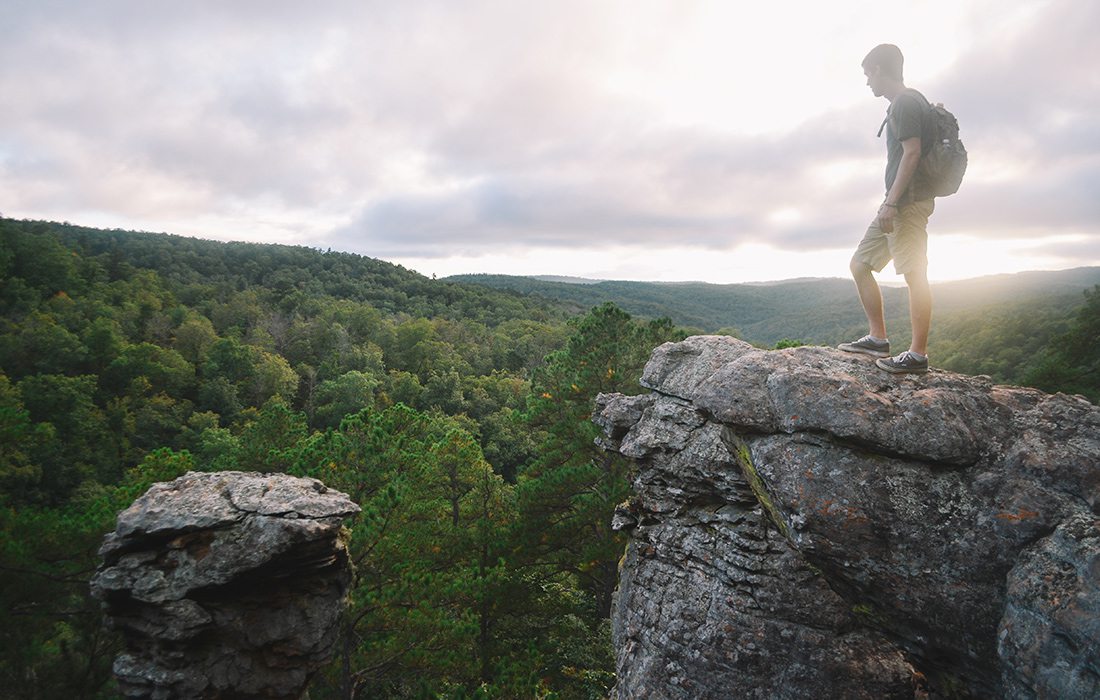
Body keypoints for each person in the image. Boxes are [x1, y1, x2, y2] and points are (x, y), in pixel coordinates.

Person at [838, 44, 937, 374]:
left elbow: (912, 153)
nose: (867, 82)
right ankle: (878, 337)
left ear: (880, 69)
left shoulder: (906, 103)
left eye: (868, 74)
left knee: (913, 274)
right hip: (894, 203)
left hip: (905, 204)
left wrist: (892, 203)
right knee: (860, 263)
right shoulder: (906, 102)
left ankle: (917, 355)